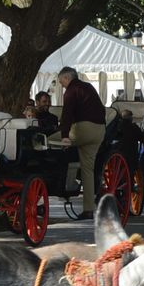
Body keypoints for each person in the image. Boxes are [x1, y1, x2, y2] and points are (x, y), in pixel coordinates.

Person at [55, 66, 107, 217]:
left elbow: (67, 114)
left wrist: (64, 134)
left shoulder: (71, 90)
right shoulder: (88, 87)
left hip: (83, 128)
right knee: (87, 170)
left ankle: (59, 180)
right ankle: (88, 209)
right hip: (100, 130)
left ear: (67, 77)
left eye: (61, 81)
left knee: (46, 140)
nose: (61, 85)